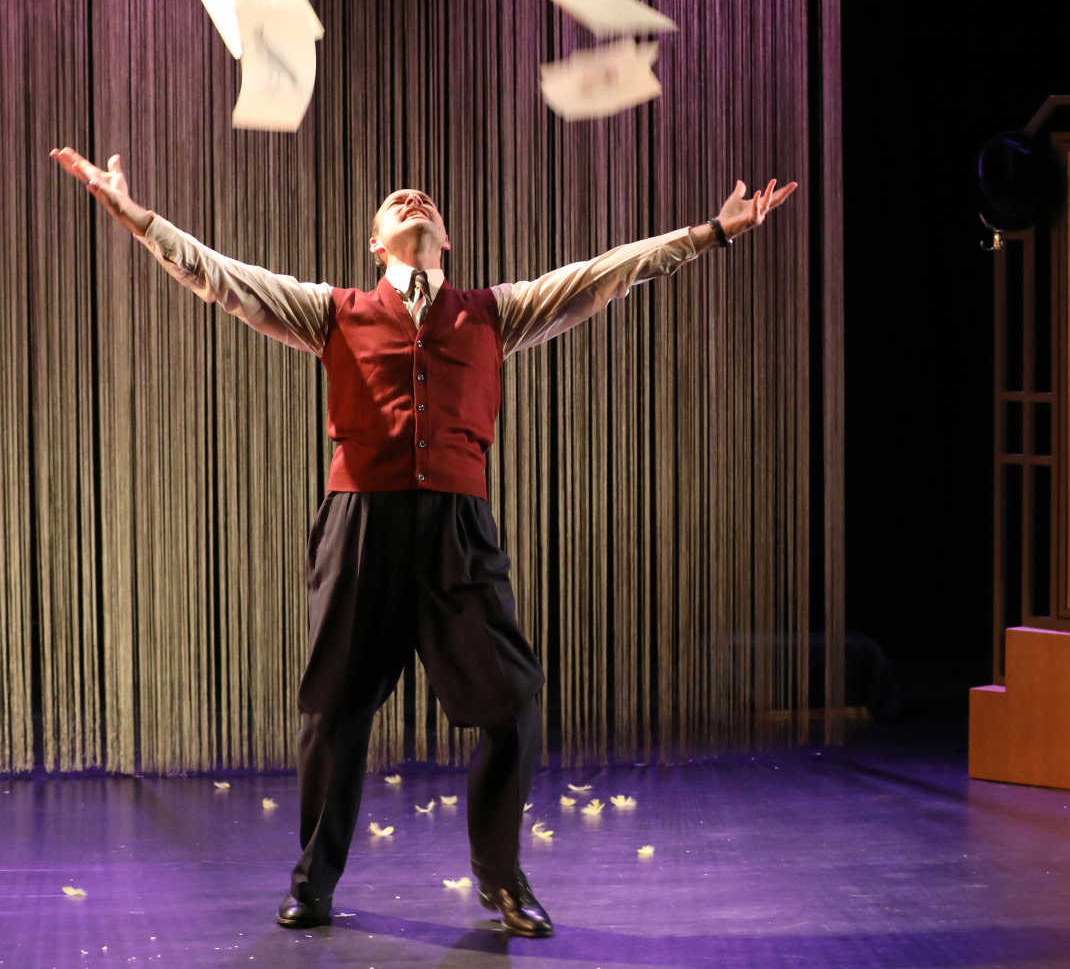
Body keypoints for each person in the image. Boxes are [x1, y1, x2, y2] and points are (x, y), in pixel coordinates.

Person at [50, 146, 795, 937]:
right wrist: (136, 218)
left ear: (447, 239)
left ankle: (501, 878)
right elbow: (221, 277)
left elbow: (603, 274)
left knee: (513, 702)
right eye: (397, 201)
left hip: (457, 529)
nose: (413, 197)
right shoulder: (332, 310)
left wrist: (713, 232)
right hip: (361, 526)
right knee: (333, 710)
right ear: (376, 244)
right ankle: (313, 881)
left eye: (426, 200)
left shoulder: (495, 312)